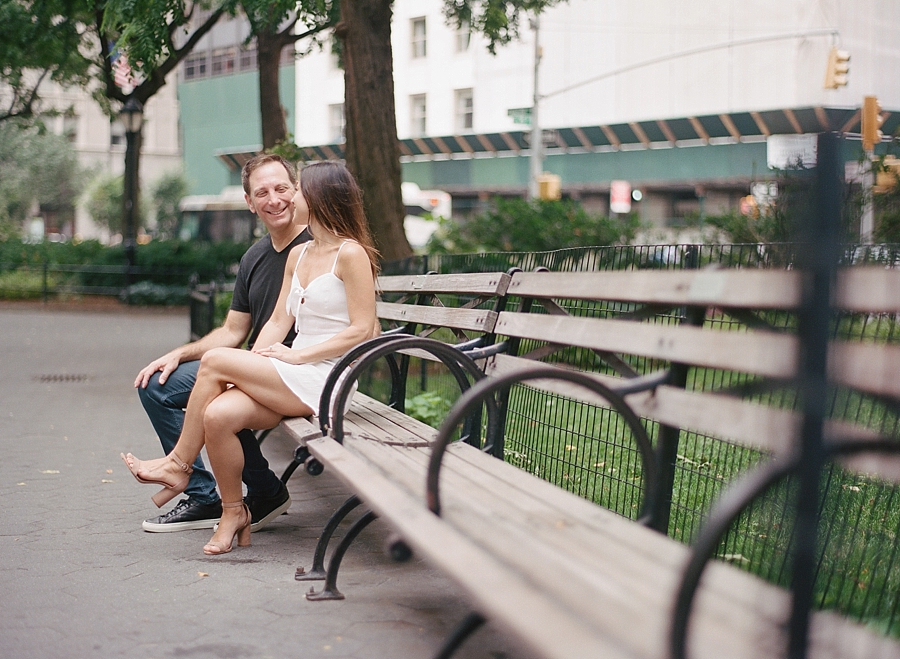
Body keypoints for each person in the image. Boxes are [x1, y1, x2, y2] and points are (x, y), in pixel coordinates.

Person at [122, 160, 379, 555]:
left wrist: (294, 357)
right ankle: (232, 512)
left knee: (215, 362)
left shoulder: (351, 254)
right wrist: (256, 364)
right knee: (218, 415)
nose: (292, 197)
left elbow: (363, 330)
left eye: (298, 190)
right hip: (294, 369)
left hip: (327, 377)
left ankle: (178, 464)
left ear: (321, 198)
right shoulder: (302, 255)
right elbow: (278, 320)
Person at [133, 154, 311, 533]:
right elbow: (232, 331)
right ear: (250, 203)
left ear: (296, 191)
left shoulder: (316, 248)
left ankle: (250, 491)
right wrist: (179, 353)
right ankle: (207, 495)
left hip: (291, 373)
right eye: (262, 192)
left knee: (217, 398)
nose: (274, 199)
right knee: (156, 385)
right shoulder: (254, 257)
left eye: (281, 188)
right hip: (252, 362)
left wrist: (239, 368)